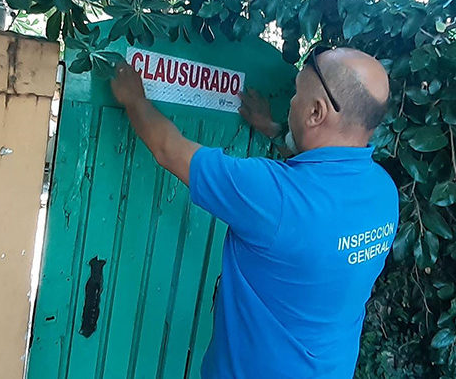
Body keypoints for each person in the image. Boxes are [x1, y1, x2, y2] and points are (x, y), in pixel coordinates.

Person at [111, 46, 399, 379]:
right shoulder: (383, 191)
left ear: (316, 113)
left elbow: (169, 150)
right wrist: (274, 130)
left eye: (296, 95)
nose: (291, 101)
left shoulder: (273, 195)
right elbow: (321, 172)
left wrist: (134, 100)